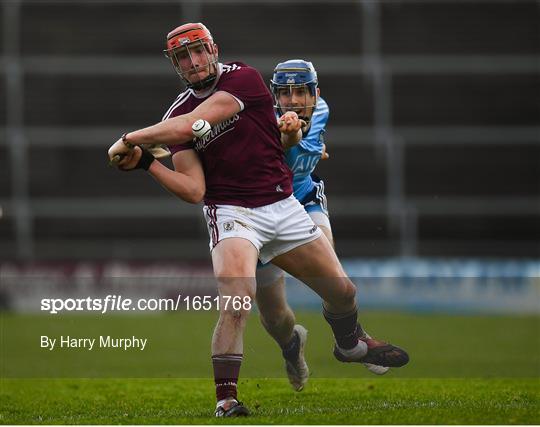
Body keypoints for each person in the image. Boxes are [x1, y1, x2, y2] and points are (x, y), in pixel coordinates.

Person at [107, 23, 409, 418]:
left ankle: (350, 346)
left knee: (343, 293)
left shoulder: (243, 79)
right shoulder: (175, 114)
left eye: (198, 50)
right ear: (175, 65)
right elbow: (194, 190)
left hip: (281, 205)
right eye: (183, 56)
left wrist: (130, 139)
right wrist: (147, 162)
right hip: (232, 214)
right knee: (238, 304)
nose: (193, 61)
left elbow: (194, 124)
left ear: (213, 49)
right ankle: (226, 398)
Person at [255, 60, 389, 394]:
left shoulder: (323, 109)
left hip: (302, 195)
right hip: (262, 211)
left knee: (335, 280)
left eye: (301, 91)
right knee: (276, 319)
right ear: (274, 96)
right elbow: (285, 146)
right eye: (285, 94)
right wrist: (289, 140)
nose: (294, 100)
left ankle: (353, 340)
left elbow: (311, 145)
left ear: (316, 93)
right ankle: (291, 347)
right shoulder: (263, 122)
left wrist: (313, 149)